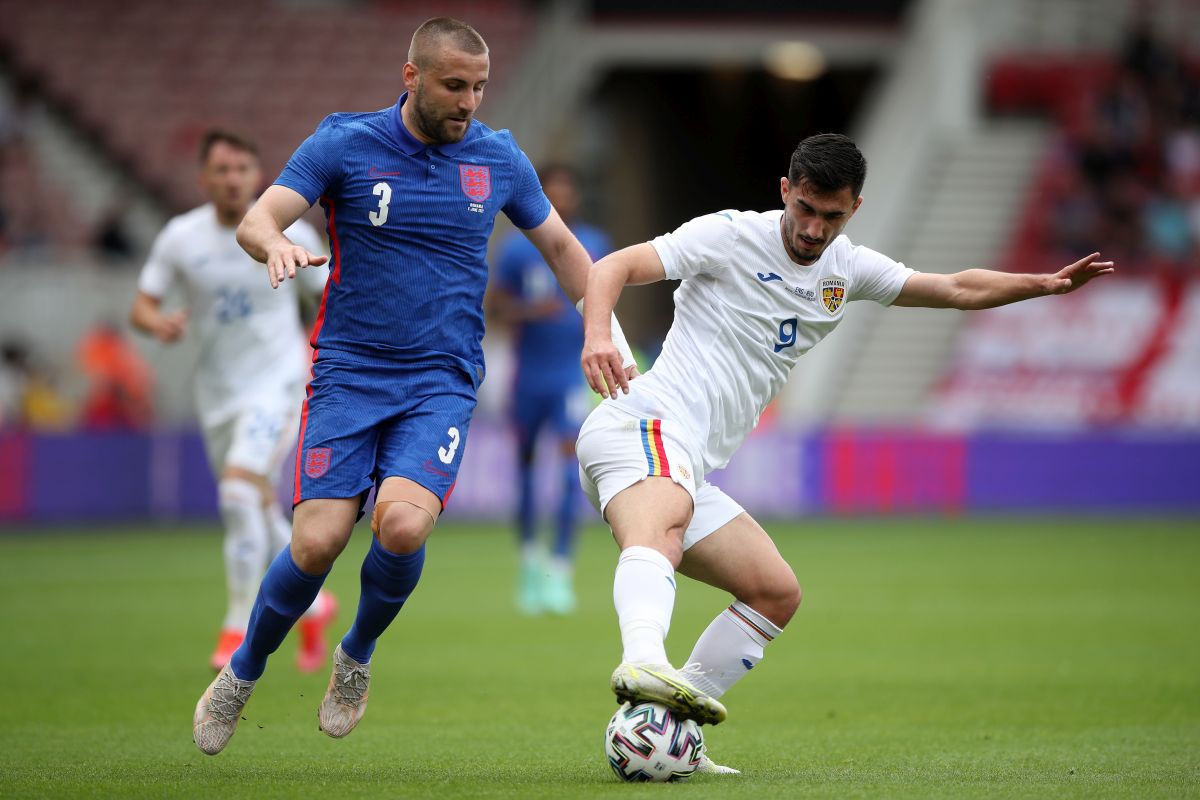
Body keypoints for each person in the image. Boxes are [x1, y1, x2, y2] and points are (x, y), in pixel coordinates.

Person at [576, 133, 1115, 774]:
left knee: (773, 592)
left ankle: (668, 728)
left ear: (854, 208)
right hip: (643, 423)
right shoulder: (728, 235)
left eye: (830, 216)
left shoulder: (846, 270)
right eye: (804, 208)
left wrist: (1044, 285)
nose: (812, 227)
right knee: (660, 532)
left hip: (685, 459)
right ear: (785, 190)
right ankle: (643, 658)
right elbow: (612, 267)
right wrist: (598, 336)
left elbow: (955, 288)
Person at [191, 17, 634, 756]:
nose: (469, 101)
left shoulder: (498, 160)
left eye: (480, 87)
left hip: (441, 381)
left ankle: (356, 656)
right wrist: (273, 244)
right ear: (412, 77)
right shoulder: (344, 142)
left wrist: (600, 331)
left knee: (400, 526)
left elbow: (561, 247)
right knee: (316, 543)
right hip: (347, 373)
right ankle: (242, 671)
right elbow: (262, 216)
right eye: (454, 85)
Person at [130, 130, 336, 674]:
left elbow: (330, 301)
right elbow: (142, 307)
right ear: (203, 178)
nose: (232, 179)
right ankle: (314, 603)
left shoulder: (288, 229)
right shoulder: (181, 238)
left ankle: (238, 624)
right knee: (249, 502)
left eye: (242, 169)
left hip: (279, 384)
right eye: (221, 170)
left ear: (256, 174)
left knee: (239, 494)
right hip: (217, 394)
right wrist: (161, 323)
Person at [489, 164, 612, 615]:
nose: (560, 199)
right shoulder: (517, 251)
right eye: (551, 192)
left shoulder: (594, 244)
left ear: (575, 197)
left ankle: (560, 569)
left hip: (568, 378)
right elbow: (495, 305)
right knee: (523, 474)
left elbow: (608, 298)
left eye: (566, 192)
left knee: (566, 474)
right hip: (526, 380)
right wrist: (529, 310)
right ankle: (528, 565)